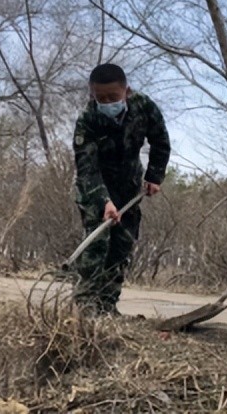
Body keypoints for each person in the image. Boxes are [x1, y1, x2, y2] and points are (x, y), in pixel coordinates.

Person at [73, 63, 170, 317]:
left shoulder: (144, 107)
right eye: (100, 98)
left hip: (128, 187)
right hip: (95, 189)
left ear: (126, 91)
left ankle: (107, 307)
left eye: (112, 97)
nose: (106, 102)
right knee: (97, 246)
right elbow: (87, 168)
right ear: (92, 94)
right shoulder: (87, 120)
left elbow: (160, 141)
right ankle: (85, 309)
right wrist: (103, 201)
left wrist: (154, 176)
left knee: (121, 247)